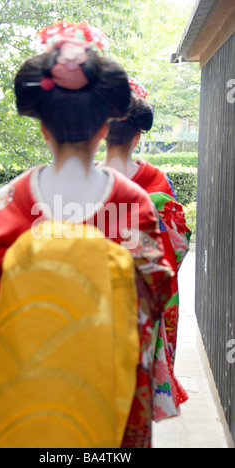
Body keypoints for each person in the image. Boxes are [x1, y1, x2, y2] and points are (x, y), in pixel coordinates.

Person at [0, 22, 173, 448]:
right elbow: (155, 285)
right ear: (102, 131)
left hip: (24, 370)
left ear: (43, 129)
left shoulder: (11, 199)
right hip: (107, 366)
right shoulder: (133, 202)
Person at [100, 78, 191, 446]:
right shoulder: (155, 181)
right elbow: (178, 245)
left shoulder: (82, 182)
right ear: (138, 136)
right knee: (133, 403)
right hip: (141, 308)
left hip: (92, 305)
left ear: (102, 133)